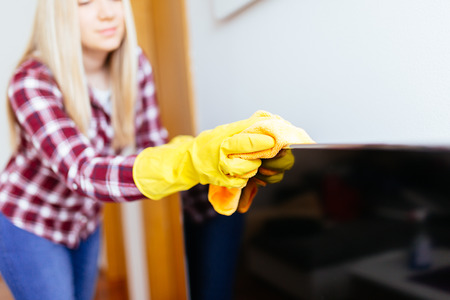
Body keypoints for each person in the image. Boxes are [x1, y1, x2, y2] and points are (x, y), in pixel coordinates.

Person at [0, 0, 313, 299]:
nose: (108, 13)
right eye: (85, 2)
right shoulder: (30, 82)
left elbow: (156, 147)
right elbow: (84, 172)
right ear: (58, 13)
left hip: (84, 221)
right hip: (28, 221)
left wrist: (227, 170)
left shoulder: (135, 64)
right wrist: (193, 160)